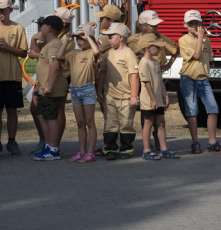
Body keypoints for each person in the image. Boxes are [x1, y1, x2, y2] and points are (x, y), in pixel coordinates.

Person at [177, 10, 221, 154]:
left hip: (203, 79)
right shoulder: (184, 40)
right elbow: (197, 55)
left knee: (213, 109)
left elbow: (209, 59)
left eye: (196, 23)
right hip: (189, 79)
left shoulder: (207, 40)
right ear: (185, 25)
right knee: (192, 111)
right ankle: (195, 142)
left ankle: (212, 142)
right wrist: (200, 38)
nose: (194, 27)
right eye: (191, 24)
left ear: (201, 24)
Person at [56, 23, 100, 163]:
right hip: (75, 89)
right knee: (80, 123)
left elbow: (97, 52)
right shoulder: (73, 53)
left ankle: (90, 152)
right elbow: (59, 56)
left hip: (87, 89)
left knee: (89, 122)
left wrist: (88, 37)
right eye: (77, 39)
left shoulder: (91, 53)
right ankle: (81, 152)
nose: (79, 41)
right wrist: (67, 41)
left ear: (90, 39)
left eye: (82, 39)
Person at [97, 22, 140, 160]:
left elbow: (134, 76)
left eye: (111, 37)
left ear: (121, 37)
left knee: (126, 123)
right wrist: (99, 91)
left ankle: (126, 148)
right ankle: (110, 148)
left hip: (126, 96)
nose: (108, 40)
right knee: (110, 123)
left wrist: (134, 96)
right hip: (110, 95)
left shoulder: (129, 54)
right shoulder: (108, 53)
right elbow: (102, 73)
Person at [30, 15, 70, 161]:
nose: (40, 28)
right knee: (44, 115)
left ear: (49, 28)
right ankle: (48, 145)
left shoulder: (53, 45)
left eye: (42, 25)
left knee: (51, 116)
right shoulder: (49, 44)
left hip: (52, 89)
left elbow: (54, 65)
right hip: (45, 88)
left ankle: (53, 150)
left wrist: (49, 86)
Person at [136, 33, 179, 160]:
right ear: (147, 48)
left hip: (158, 99)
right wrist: (153, 99)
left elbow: (160, 80)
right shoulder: (143, 62)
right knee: (148, 123)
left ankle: (164, 148)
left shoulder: (155, 62)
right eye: (157, 47)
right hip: (149, 100)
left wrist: (165, 96)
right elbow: (146, 82)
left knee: (161, 123)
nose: (159, 49)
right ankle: (147, 149)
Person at [0, 0, 28, 158]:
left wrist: (7, 47)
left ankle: (12, 141)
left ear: (10, 10)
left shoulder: (18, 28)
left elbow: (23, 53)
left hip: (12, 76)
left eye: (2, 10)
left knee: (12, 110)